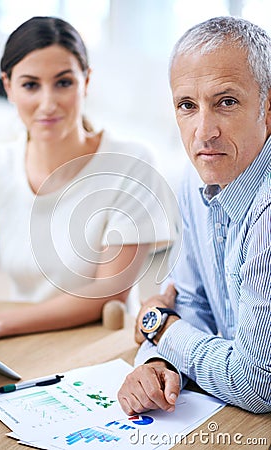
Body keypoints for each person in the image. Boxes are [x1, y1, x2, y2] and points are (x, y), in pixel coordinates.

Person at [0, 17, 176, 341]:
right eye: (30, 85)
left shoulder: (131, 164)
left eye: (63, 82)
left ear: (87, 81)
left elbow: (110, 292)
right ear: (8, 87)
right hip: (17, 342)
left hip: (98, 344)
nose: (48, 103)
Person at [118, 16, 271, 415]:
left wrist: (159, 329)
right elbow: (187, 301)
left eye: (227, 102)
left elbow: (257, 383)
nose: (204, 132)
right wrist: (157, 364)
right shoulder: (196, 175)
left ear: (268, 107)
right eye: (188, 105)